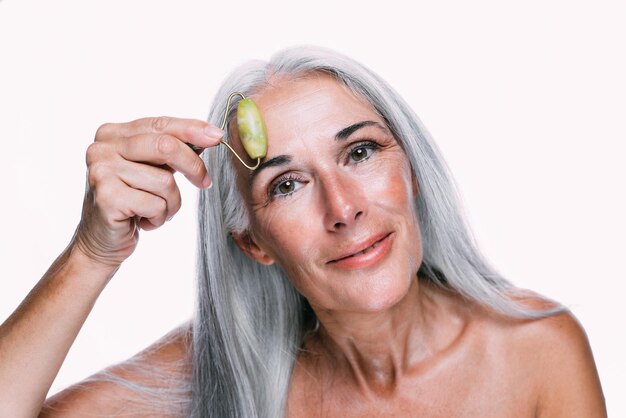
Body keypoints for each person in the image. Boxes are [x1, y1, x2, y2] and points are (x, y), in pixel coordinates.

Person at [0, 45, 606, 417]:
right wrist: (89, 254)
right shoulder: (208, 374)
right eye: (286, 185)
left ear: (413, 172)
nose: (343, 209)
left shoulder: (537, 350)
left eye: (361, 152)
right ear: (253, 243)